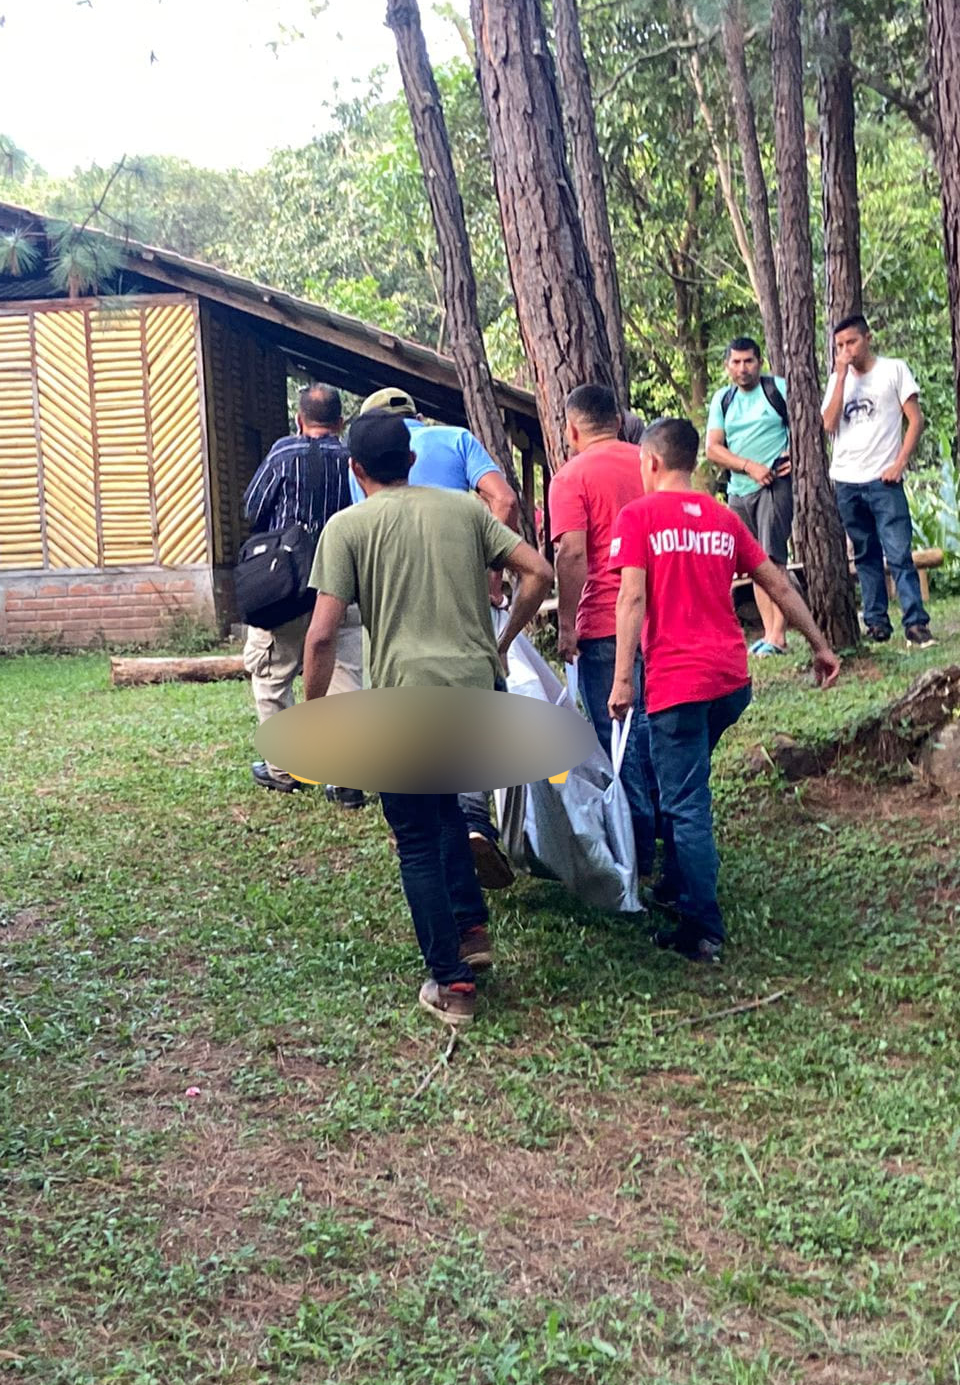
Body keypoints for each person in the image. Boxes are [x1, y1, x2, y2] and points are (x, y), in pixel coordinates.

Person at [303, 412, 553, 1027]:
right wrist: (502, 641)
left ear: (354, 468)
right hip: (474, 693)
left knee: (415, 837)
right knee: (444, 814)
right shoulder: (464, 510)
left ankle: (452, 985)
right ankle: (471, 930)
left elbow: (320, 637)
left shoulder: (347, 528)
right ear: (411, 462)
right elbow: (539, 574)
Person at [608, 417, 840, 964]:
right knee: (676, 778)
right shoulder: (722, 517)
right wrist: (820, 645)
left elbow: (631, 600)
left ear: (652, 463)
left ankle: (702, 928)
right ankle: (674, 881)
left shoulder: (638, 517)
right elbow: (777, 581)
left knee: (687, 801)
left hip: (677, 683)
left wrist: (622, 679)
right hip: (729, 683)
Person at [355, 385, 522, 887]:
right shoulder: (456, 440)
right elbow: (506, 500)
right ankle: (472, 822)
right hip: (461, 603)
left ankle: (434, 839)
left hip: (397, 629)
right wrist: (492, 574)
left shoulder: (363, 465)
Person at [548, 382, 657, 879]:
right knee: (657, 732)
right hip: (662, 618)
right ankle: (669, 841)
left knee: (618, 738)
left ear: (572, 429)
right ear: (617, 419)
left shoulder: (571, 477)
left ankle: (636, 849)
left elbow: (571, 553)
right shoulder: (649, 465)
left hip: (606, 623)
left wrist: (566, 625)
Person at [242, 383, 365, 806]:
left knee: (273, 673)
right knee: (346, 675)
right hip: (342, 584)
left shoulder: (282, 453)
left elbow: (252, 509)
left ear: (300, 419)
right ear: (340, 422)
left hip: (285, 586)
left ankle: (283, 768)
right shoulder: (354, 460)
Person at [820, 315, 933, 647]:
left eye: (851, 342)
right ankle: (876, 622)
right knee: (865, 554)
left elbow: (915, 420)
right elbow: (828, 424)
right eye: (840, 345)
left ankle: (915, 622)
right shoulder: (836, 380)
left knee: (898, 551)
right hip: (846, 479)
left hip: (883, 479)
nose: (846, 350)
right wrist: (840, 376)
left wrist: (900, 464)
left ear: (867, 338)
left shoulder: (893, 370)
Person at [705, 336, 793, 657]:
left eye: (749, 361)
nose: (743, 368)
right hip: (739, 490)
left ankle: (779, 636)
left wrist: (791, 455)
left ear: (760, 362)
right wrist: (747, 466)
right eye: (736, 362)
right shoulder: (723, 400)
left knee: (773, 560)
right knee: (754, 564)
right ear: (727, 366)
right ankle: (769, 633)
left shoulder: (777, 390)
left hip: (774, 486)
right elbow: (713, 448)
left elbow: (805, 427)